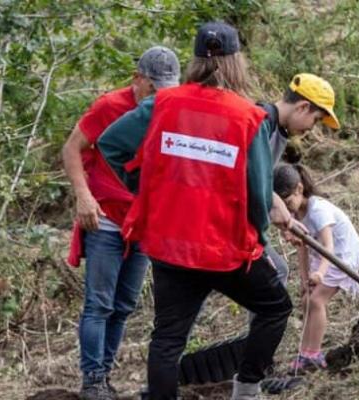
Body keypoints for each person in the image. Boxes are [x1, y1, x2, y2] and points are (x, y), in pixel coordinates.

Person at [97, 21, 292, 400]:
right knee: (275, 308)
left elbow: (111, 144)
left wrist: (147, 193)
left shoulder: (163, 103)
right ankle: (248, 389)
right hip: (227, 248)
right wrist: (260, 236)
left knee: (167, 339)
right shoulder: (247, 116)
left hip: (170, 243)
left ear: (196, 61)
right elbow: (257, 191)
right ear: (236, 63)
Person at [61, 46, 180, 400]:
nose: (159, 95)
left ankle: (105, 376)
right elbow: (71, 149)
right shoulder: (109, 107)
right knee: (99, 303)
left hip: (144, 223)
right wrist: (84, 197)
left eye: (166, 88)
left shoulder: (170, 109)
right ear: (138, 79)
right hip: (107, 220)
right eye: (154, 87)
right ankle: (92, 380)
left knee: (125, 305)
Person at [273, 163, 359, 373]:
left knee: (317, 300)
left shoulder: (318, 210)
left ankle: (315, 354)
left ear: (299, 189)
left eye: (287, 202)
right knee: (306, 300)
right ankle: (305, 353)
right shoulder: (293, 214)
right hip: (321, 255)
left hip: (341, 256)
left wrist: (320, 274)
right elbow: (303, 248)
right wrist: (305, 280)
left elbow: (329, 247)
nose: (286, 209)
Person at [260, 73, 342, 285]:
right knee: (275, 277)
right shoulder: (260, 123)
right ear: (303, 107)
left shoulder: (279, 132)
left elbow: (260, 186)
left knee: (277, 275)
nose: (311, 129)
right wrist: (283, 216)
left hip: (246, 228)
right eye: (315, 120)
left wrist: (284, 222)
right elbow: (248, 179)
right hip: (225, 229)